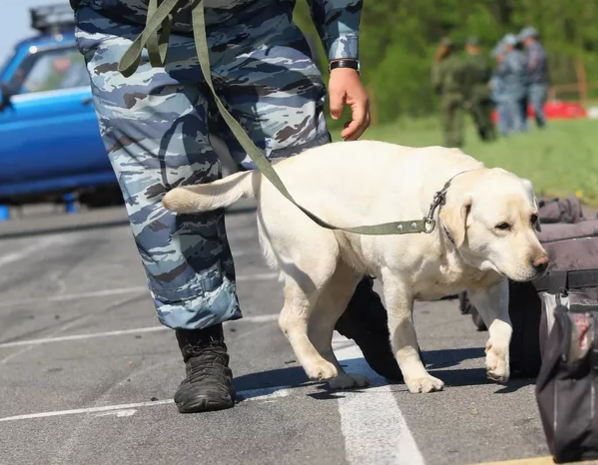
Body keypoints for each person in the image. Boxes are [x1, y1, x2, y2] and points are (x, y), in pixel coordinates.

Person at [70, 0, 402, 414]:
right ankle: (202, 350)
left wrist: (343, 59)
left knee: (311, 177)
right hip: (130, 29)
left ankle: (351, 304)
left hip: (255, 21)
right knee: (168, 191)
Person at [431, 37, 468, 148]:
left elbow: (436, 82)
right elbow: (464, 78)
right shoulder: (459, 61)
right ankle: (458, 141)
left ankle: (449, 141)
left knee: (447, 119)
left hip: (446, 94)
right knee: (458, 118)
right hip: (458, 93)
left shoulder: (440, 62)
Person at [462, 36, 496, 142]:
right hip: (486, 91)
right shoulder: (485, 59)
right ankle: (493, 136)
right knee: (488, 116)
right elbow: (491, 76)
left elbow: (466, 82)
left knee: (479, 117)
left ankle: (485, 138)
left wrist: (466, 98)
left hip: (474, 93)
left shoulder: (468, 62)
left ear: (469, 47)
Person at [494, 33, 528, 136]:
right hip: (523, 87)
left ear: (510, 45)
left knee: (514, 113)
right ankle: (524, 131)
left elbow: (502, 72)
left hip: (512, 88)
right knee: (522, 112)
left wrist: (500, 66)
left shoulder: (509, 58)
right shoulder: (522, 55)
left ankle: (518, 133)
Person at [519, 26, 549, 129]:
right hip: (536, 82)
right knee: (537, 107)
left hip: (536, 82)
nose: (523, 41)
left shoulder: (534, 49)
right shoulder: (535, 49)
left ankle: (543, 127)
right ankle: (542, 127)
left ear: (530, 38)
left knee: (537, 107)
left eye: (525, 38)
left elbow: (531, 65)